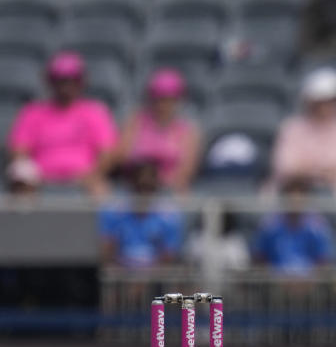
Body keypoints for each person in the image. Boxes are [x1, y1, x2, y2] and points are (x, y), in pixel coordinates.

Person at [6, 51, 117, 196]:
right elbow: (18, 151)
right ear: (51, 82)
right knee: (20, 184)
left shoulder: (95, 112)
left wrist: (93, 174)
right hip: (39, 179)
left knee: (101, 190)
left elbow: (108, 152)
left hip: (84, 178)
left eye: (72, 80)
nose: (66, 86)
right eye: (61, 80)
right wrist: (30, 174)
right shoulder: (32, 112)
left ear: (81, 82)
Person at [270, 67, 336, 200]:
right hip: (295, 196)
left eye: (333, 100)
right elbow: (286, 167)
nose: (327, 105)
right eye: (322, 100)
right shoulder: (292, 128)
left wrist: (311, 170)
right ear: (310, 101)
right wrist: (326, 172)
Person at [115, 68, 201, 194]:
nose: (162, 104)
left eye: (168, 99)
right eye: (158, 98)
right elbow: (122, 156)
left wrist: (159, 183)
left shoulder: (187, 130)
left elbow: (185, 172)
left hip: (169, 191)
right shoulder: (135, 122)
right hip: (135, 188)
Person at [99, 161, 185, 268]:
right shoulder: (114, 212)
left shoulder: (170, 216)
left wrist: (147, 276)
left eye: (149, 187)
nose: (144, 193)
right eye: (140, 187)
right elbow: (107, 252)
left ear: (157, 186)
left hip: (155, 275)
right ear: (131, 185)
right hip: (122, 272)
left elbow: (169, 255)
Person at [253, 178, 333, 275]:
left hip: (310, 283)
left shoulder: (318, 226)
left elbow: (323, 261)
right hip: (274, 283)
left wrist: (311, 280)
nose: (295, 200)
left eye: (300, 195)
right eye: (290, 195)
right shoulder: (268, 225)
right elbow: (259, 259)